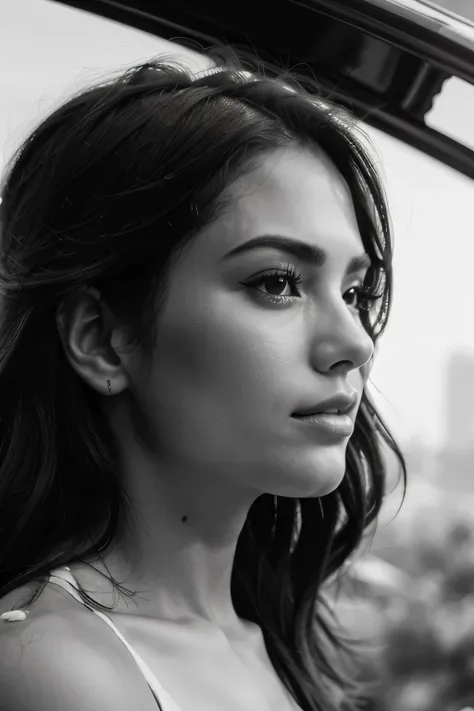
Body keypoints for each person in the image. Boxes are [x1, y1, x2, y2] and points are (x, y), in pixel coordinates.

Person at [0, 46, 405, 711]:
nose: (354, 342)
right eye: (277, 282)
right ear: (102, 340)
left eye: (357, 291)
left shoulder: (265, 639)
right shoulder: (59, 670)